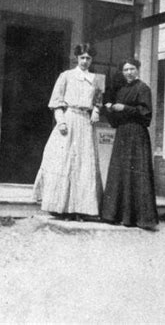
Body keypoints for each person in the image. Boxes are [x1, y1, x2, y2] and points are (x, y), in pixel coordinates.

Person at [33, 43, 103, 219]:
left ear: (92, 59)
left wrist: (95, 110)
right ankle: (59, 206)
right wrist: (61, 121)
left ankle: (81, 209)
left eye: (88, 58)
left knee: (84, 164)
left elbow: (99, 100)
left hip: (86, 124)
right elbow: (56, 100)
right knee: (63, 161)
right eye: (82, 58)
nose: (85, 61)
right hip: (69, 120)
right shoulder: (66, 76)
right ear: (76, 58)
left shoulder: (96, 79)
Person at [101, 58, 159, 230]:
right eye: (126, 70)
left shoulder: (143, 89)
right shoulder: (121, 90)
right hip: (122, 134)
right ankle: (116, 215)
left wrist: (124, 108)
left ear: (138, 69)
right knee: (120, 172)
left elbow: (145, 113)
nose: (129, 73)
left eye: (132, 69)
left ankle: (140, 218)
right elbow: (115, 119)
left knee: (137, 174)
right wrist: (110, 109)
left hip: (137, 134)